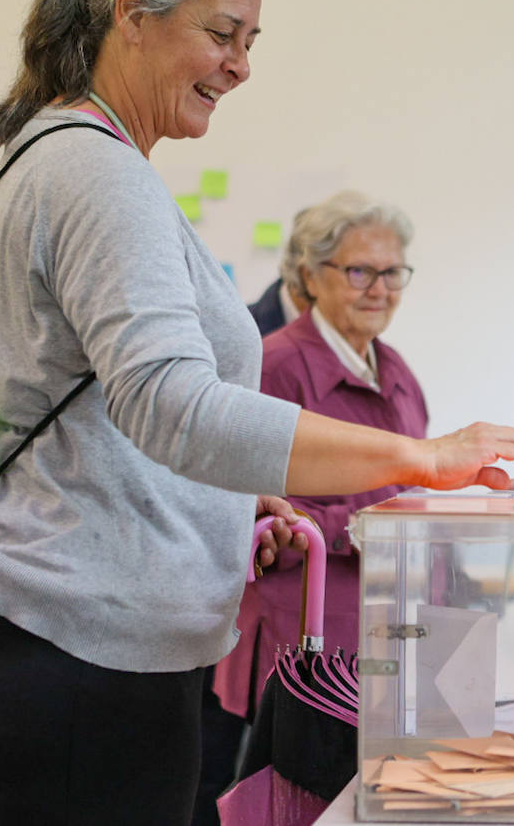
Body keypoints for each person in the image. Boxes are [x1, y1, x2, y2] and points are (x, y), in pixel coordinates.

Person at [0, 0, 514, 825]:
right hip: (66, 637)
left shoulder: (71, 158)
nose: (240, 65)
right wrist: (425, 459)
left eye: (251, 41)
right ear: (131, 13)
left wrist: (225, 510)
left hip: (75, 634)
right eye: (220, 33)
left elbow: (105, 417)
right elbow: (173, 406)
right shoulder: (95, 172)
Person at [203, 190, 426, 825]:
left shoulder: (400, 373)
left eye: (392, 272)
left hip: (373, 638)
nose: (379, 288)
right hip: (297, 642)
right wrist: (359, 526)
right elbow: (244, 505)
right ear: (310, 275)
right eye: (359, 271)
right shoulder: (274, 364)